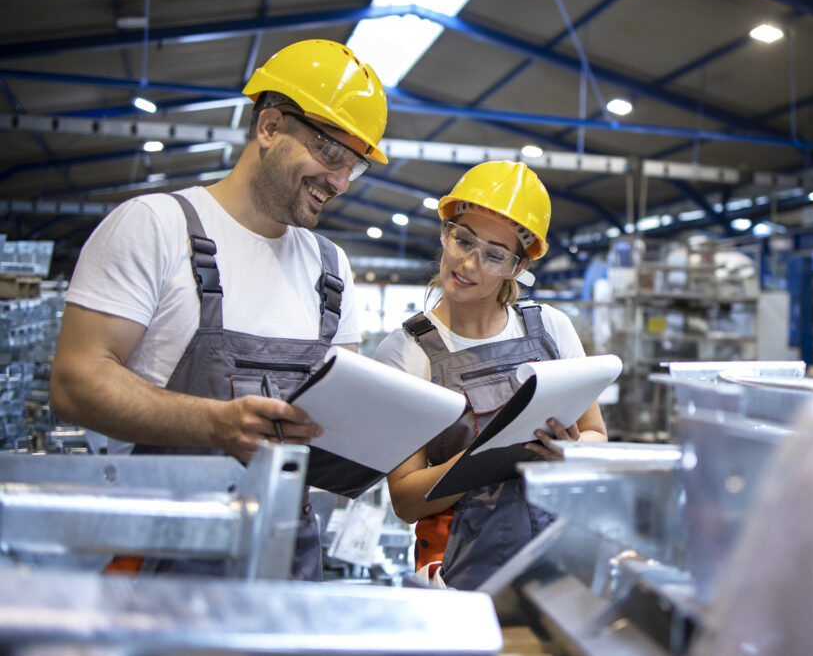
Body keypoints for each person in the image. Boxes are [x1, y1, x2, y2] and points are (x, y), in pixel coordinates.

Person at [49, 39, 389, 580]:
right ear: (270, 126)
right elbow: (74, 381)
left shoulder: (331, 266)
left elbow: (336, 415)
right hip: (160, 562)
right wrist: (213, 423)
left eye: (355, 166)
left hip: (285, 564)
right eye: (330, 154)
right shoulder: (156, 227)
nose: (341, 182)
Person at [375, 161, 608, 590]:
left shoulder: (551, 328)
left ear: (516, 268)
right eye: (461, 239)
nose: (469, 263)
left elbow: (596, 433)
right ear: (445, 233)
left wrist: (569, 451)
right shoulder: (406, 352)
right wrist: (488, 459)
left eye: (495, 255)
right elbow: (406, 500)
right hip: (457, 572)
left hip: (557, 560)